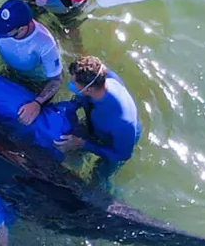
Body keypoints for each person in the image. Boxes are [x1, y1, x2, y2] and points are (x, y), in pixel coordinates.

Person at [53, 55, 141, 185]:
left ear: (88, 89)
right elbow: (81, 99)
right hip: (95, 123)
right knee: (66, 152)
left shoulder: (123, 122)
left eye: (74, 83)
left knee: (96, 179)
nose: (71, 84)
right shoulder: (100, 77)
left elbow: (122, 155)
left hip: (113, 142)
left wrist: (83, 144)